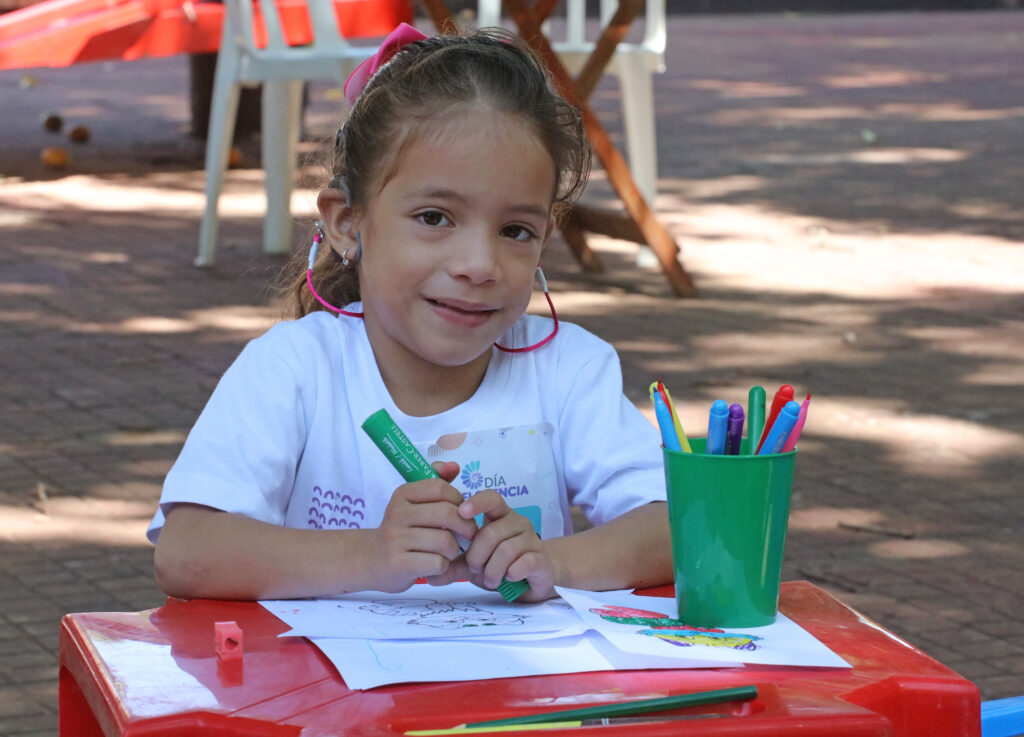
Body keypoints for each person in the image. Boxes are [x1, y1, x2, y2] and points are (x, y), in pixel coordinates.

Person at [150, 23, 672, 603]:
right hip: (326, 668)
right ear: (347, 222)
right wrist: (368, 555)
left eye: (515, 230)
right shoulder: (295, 367)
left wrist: (554, 563)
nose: (479, 264)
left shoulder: (568, 369)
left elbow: (680, 526)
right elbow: (187, 551)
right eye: (434, 218)